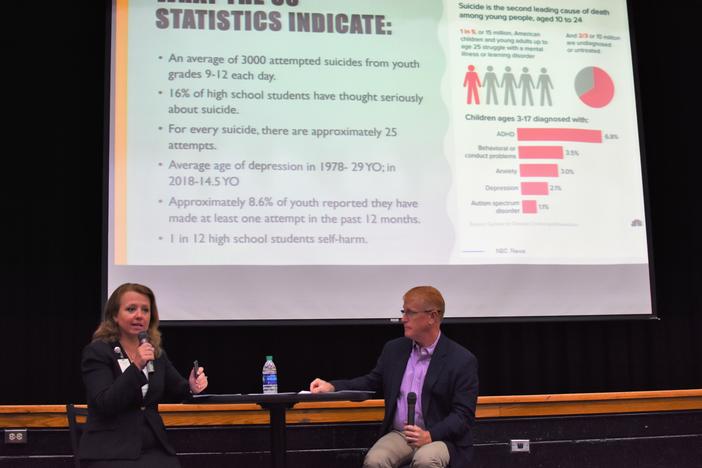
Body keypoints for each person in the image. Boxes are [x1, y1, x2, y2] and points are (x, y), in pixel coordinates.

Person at [310, 286, 478, 468]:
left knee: (426, 460)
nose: (403, 319)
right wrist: (332, 387)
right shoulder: (394, 350)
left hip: (441, 438)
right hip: (401, 435)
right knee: (375, 461)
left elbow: (463, 416)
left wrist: (429, 435)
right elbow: (370, 382)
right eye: (403, 312)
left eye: (410, 313)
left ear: (432, 317)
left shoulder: (461, 360)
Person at [78, 283, 208, 467]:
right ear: (114, 315)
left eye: (145, 310)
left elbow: (180, 389)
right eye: (131, 309)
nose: (139, 315)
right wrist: (136, 365)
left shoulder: (155, 353)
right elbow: (105, 403)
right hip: (110, 451)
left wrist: (193, 386)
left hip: (153, 448)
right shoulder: (97, 352)